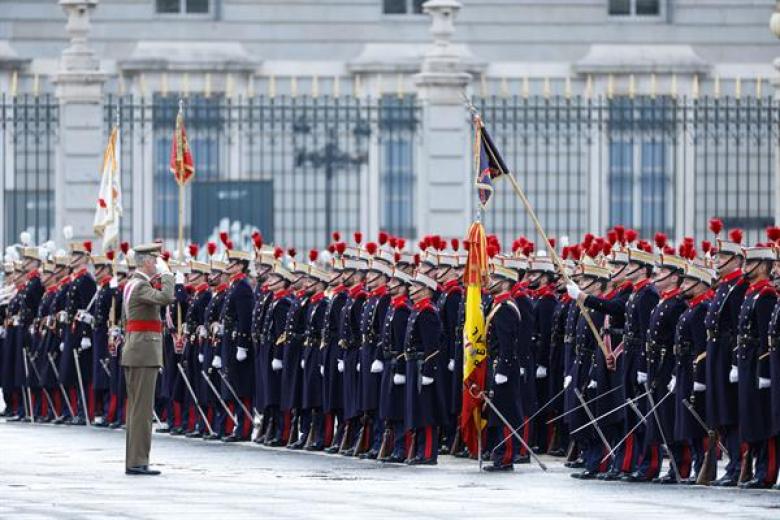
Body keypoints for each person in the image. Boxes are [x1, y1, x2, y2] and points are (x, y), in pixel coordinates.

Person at [121, 243, 175, 476]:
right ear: (145, 262)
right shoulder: (141, 284)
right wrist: (168, 275)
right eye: (154, 260)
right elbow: (166, 297)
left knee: (136, 410)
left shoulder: (132, 283)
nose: (157, 264)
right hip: (143, 351)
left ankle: (134, 459)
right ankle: (138, 461)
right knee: (142, 411)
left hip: (136, 349)